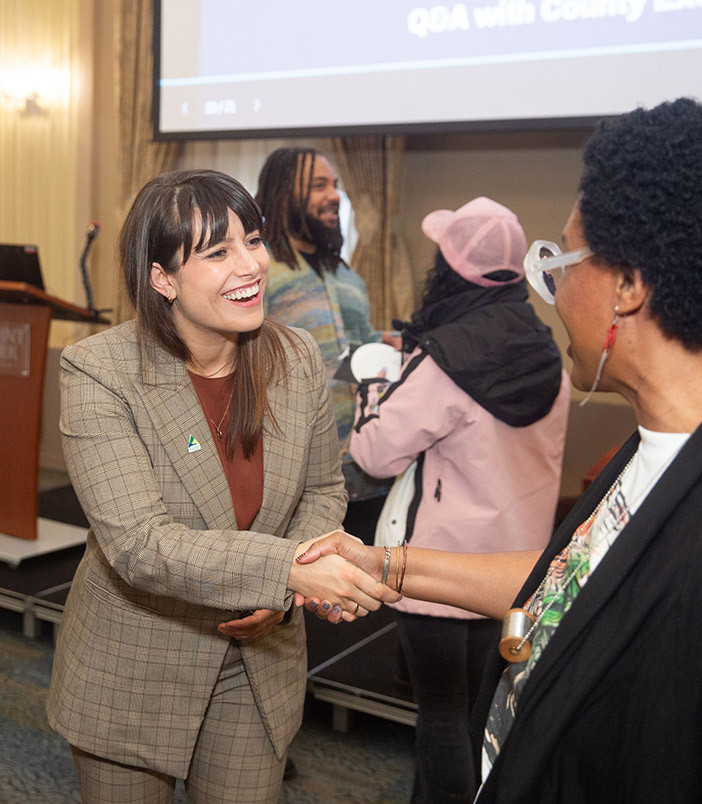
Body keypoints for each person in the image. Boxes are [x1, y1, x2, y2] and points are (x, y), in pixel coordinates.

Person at [297, 98, 702, 802]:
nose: (550, 291)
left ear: (628, 287)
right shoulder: (674, 446)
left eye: (563, 259)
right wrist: (382, 563)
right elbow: (579, 582)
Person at [46, 169, 397, 803]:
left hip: (257, 661)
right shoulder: (100, 371)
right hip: (135, 664)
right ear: (163, 278)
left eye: (254, 240)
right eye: (218, 252)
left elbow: (322, 489)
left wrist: (281, 590)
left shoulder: (294, 360)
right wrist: (287, 571)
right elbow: (140, 545)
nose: (251, 265)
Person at [348, 196, 571, 803]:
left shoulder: (446, 360)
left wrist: (373, 382)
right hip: (516, 575)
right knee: (484, 720)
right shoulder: (548, 350)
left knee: (442, 718)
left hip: (442, 572)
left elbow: (373, 454)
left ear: (449, 270)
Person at [255, 146, 398, 506]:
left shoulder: (348, 275)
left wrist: (388, 344)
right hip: (294, 476)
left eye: (334, 185)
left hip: (365, 469)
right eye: (320, 185)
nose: (334, 196)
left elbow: (356, 348)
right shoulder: (259, 267)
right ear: (284, 193)